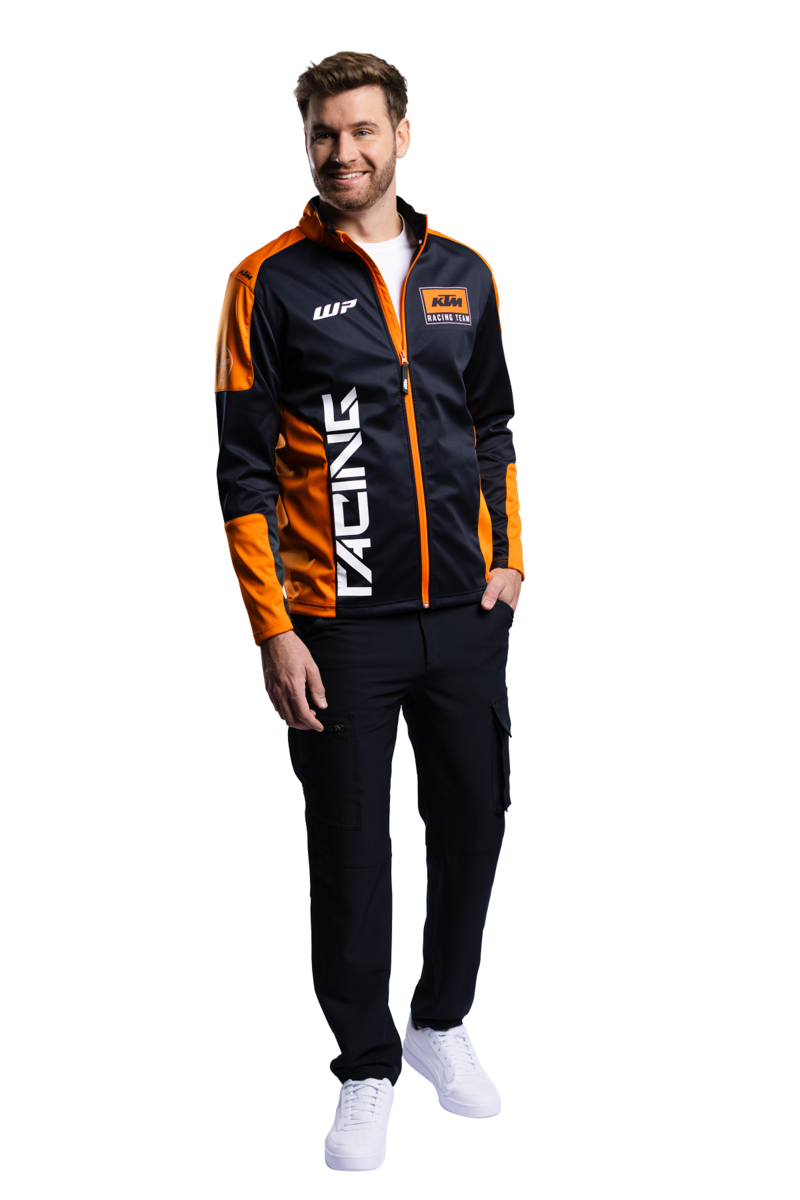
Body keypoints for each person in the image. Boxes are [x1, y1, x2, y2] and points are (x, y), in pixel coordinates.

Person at [214, 50, 524, 1171]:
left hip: (463, 618)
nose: (341, 152)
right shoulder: (267, 282)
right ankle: (364, 1064)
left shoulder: (464, 275)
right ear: (307, 141)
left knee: (476, 819)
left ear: (400, 133)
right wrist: (274, 627)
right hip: (336, 629)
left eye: (360, 130)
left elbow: (492, 427)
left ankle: (439, 1021)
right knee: (350, 849)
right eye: (322, 133)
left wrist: (509, 564)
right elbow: (243, 470)